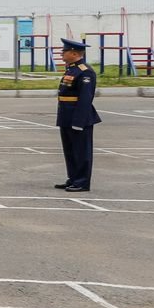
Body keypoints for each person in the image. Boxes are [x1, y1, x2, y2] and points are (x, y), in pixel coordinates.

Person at [55, 37, 101, 192]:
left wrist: (78, 121)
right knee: (70, 150)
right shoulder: (72, 69)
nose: (62, 53)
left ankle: (82, 182)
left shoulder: (85, 72)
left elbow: (85, 99)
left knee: (81, 151)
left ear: (74, 53)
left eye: (65, 51)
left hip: (78, 117)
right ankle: (73, 178)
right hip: (66, 116)